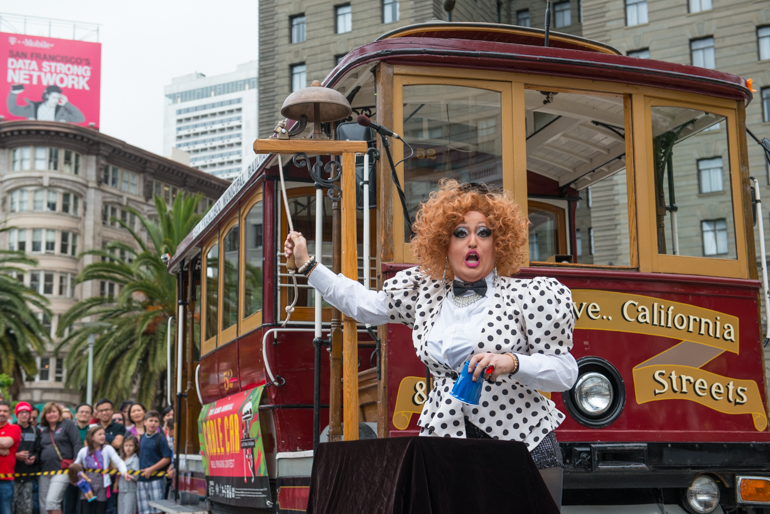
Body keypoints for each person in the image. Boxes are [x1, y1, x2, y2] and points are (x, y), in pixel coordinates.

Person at [285, 180, 578, 507]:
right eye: (459, 232)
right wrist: (309, 266)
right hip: (446, 440)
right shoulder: (424, 292)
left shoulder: (531, 297)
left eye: (484, 233)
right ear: (443, 242)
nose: (472, 242)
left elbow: (566, 372)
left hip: (523, 444)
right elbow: (363, 305)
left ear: (499, 241)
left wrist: (513, 362)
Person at [74, 427, 130, 514]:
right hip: (87, 481)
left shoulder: (107, 448)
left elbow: (118, 461)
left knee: (100, 508)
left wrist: (124, 472)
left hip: (102, 481)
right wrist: (75, 478)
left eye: (104, 434)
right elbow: (76, 466)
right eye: (99, 434)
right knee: (86, 509)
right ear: (92, 437)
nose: (103, 436)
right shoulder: (83, 451)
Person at [38, 402, 81, 514]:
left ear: (59, 413)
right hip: (45, 471)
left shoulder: (67, 424)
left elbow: (76, 443)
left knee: (52, 502)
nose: (51, 414)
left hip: (62, 470)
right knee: (43, 505)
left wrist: (77, 463)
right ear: (44, 415)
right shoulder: (43, 430)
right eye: (48, 412)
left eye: (54, 411)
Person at [136, 411, 171, 514]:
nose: (153, 423)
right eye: (150, 420)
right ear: (144, 422)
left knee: (157, 510)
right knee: (144, 510)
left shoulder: (161, 438)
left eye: (156, 421)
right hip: (142, 479)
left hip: (156, 478)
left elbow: (167, 458)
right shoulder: (142, 437)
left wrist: (151, 469)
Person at [6, 85, 85, 123]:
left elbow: (80, 118)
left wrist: (66, 104)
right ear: (47, 96)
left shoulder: (62, 112)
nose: (56, 101)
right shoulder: (34, 108)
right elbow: (14, 110)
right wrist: (13, 94)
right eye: (54, 98)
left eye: (58, 98)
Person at [14, 402, 40, 514]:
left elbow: (39, 450)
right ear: (16, 415)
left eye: (26, 412)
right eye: (21, 412)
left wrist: (34, 457)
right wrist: (16, 456)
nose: (24, 415)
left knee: (27, 508)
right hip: (12, 476)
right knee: (11, 507)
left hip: (29, 476)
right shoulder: (11, 429)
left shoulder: (35, 431)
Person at [0, 400, 21, 514]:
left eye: (5, 411)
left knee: (6, 511)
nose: (2, 413)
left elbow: (6, 443)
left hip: (5, 480)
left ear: (9, 414)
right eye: (0, 410)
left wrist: (3, 446)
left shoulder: (14, 428)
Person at [117, 436, 139, 514]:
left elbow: (136, 476)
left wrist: (127, 472)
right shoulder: (120, 459)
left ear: (135, 447)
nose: (128, 448)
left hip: (130, 490)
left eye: (131, 445)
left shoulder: (135, 459)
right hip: (121, 490)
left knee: (128, 512)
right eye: (126, 445)